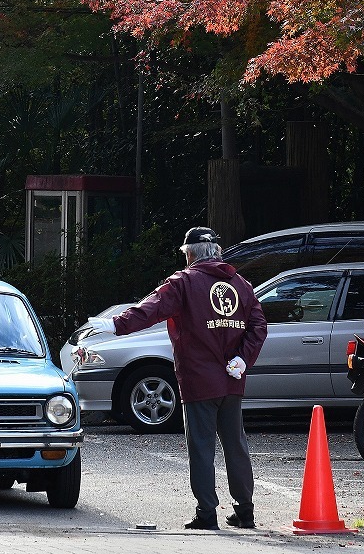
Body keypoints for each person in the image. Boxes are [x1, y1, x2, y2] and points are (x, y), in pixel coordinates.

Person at [91, 227, 267, 530]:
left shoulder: (183, 282)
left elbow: (150, 310)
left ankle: (207, 514)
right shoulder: (241, 285)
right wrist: (242, 359)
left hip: (198, 379)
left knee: (201, 448)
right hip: (232, 378)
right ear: (217, 252)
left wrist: (113, 326)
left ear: (189, 254)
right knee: (235, 445)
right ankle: (246, 512)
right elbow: (259, 326)